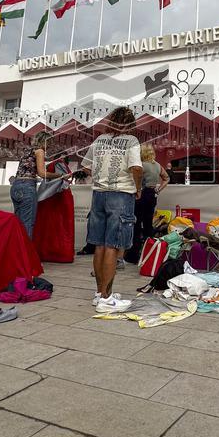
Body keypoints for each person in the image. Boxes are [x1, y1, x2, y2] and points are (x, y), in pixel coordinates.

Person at [82, 107, 142, 313]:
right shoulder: (131, 141)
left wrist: (101, 177)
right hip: (121, 194)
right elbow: (136, 168)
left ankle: (99, 294)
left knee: (99, 244)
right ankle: (106, 299)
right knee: (113, 246)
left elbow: (86, 167)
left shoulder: (99, 140)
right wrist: (138, 188)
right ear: (130, 123)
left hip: (98, 194)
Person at [129, 143, 169, 263]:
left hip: (140, 195)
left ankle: (134, 255)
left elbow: (137, 181)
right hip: (152, 195)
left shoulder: (140, 166)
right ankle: (149, 253)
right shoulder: (157, 165)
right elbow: (167, 178)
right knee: (148, 224)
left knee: (136, 224)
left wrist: (137, 191)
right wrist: (158, 189)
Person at [10, 133, 53, 239]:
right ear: (45, 142)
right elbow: (42, 173)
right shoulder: (40, 151)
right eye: (50, 143)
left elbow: (27, 170)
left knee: (18, 223)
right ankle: (25, 254)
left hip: (16, 186)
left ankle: (16, 251)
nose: (50, 146)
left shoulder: (27, 151)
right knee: (27, 224)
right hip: (27, 187)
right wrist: (60, 175)